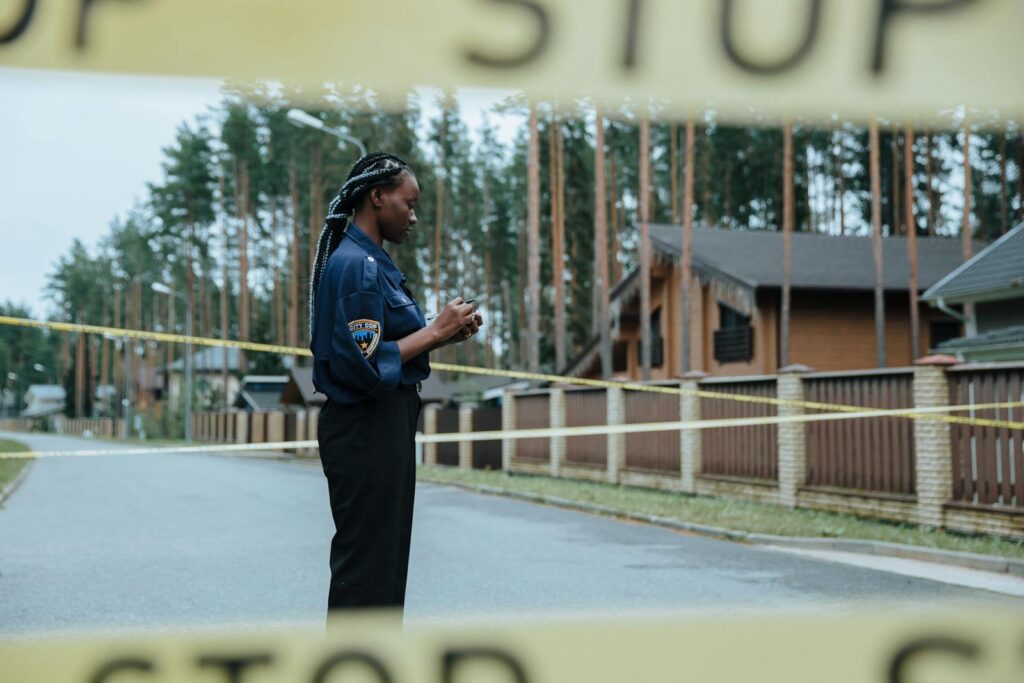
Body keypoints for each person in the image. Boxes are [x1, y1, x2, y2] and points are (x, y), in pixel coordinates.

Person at [309, 152, 481, 614]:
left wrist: (441, 336)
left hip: (381, 426)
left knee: (383, 567)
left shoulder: (372, 261)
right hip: (367, 428)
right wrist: (433, 331)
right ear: (377, 196)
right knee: (367, 571)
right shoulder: (357, 266)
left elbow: (382, 347)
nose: (415, 216)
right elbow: (362, 364)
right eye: (408, 203)